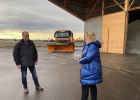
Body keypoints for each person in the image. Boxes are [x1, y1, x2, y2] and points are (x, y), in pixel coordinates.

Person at [78, 31, 103, 100]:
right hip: (90, 69)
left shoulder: (92, 45)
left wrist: (80, 61)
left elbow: (89, 58)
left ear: (89, 37)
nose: (84, 38)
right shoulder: (89, 45)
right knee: (92, 86)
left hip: (90, 70)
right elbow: (85, 55)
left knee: (85, 87)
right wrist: (81, 58)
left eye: (85, 36)